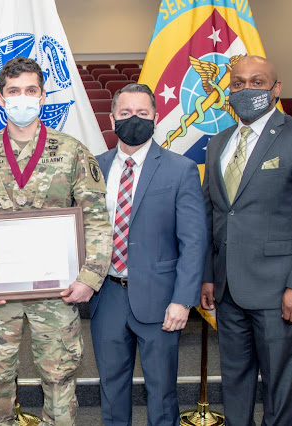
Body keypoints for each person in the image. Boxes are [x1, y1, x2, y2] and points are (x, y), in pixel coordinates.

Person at [0, 56, 111, 425]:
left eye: (30, 90)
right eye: (13, 91)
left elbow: (97, 220)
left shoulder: (72, 151)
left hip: (57, 291)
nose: (22, 98)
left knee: (59, 381)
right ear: (0, 98)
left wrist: (90, 278)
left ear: (43, 96)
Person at [201, 55, 292, 425]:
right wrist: (208, 275)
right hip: (228, 290)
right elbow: (213, 215)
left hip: (280, 291)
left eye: (257, 82)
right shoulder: (218, 143)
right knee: (235, 383)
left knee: (279, 388)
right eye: (238, 83)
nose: (247, 90)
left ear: (276, 89)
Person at [91, 84, 207, 425]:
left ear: (155, 118)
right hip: (107, 295)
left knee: (162, 392)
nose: (134, 119)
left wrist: (183, 300)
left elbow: (194, 241)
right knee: (111, 390)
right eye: (125, 113)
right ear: (111, 118)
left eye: (142, 113)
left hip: (161, 300)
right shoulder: (94, 169)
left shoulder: (180, 169)